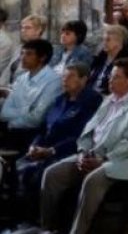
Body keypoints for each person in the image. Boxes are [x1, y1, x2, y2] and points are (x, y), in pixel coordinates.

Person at [40, 57, 128, 234]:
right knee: (52, 174)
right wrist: (82, 153)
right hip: (95, 153)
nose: (109, 81)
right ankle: (47, 230)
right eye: (110, 77)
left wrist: (103, 159)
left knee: (92, 181)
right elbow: (89, 131)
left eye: (115, 78)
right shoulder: (109, 99)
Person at [13, 63, 102, 207]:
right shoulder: (60, 99)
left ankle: (36, 218)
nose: (65, 80)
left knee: (34, 173)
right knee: (15, 167)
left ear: (84, 79)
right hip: (43, 149)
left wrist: (51, 151)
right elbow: (43, 128)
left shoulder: (91, 101)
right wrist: (34, 145)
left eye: (70, 76)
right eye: (63, 77)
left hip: (65, 152)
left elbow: (81, 136)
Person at [0, 39, 63, 152]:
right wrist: (27, 110)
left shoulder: (54, 81)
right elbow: (5, 112)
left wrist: (12, 120)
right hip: (11, 129)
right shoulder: (21, 78)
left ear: (42, 57)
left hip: (31, 135)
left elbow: (37, 118)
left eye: (28, 54)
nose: (23, 58)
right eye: (22, 53)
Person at [87, 25, 127, 96]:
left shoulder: (124, 62)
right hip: (90, 94)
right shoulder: (100, 57)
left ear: (119, 42)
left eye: (108, 40)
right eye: (103, 40)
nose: (104, 43)